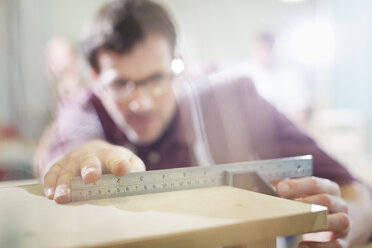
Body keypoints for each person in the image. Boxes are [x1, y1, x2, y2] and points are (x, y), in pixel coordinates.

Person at [33, 0, 372, 247]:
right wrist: (91, 152)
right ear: (94, 77)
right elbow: (75, 145)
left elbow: (359, 194)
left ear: (177, 65)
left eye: (155, 79)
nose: (142, 102)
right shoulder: (83, 106)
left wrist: (339, 235)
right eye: (121, 84)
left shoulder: (232, 100)